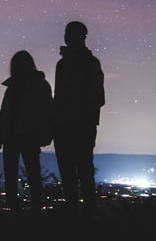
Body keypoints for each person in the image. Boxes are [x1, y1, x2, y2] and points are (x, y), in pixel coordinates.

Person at [53, 21, 104, 218]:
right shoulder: (64, 64)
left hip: (79, 125)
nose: (66, 36)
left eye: (69, 33)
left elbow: (98, 97)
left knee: (81, 171)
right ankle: (76, 215)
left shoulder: (88, 63)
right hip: (70, 125)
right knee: (74, 172)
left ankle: (83, 216)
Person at [0, 50, 53, 212]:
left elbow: (47, 112)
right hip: (18, 135)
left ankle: (31, 208)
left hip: (26, 135)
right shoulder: (21, 86)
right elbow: (4, 113)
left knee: (28, 173)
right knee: (25, 174)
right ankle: (23, 208)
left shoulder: (32, 86)